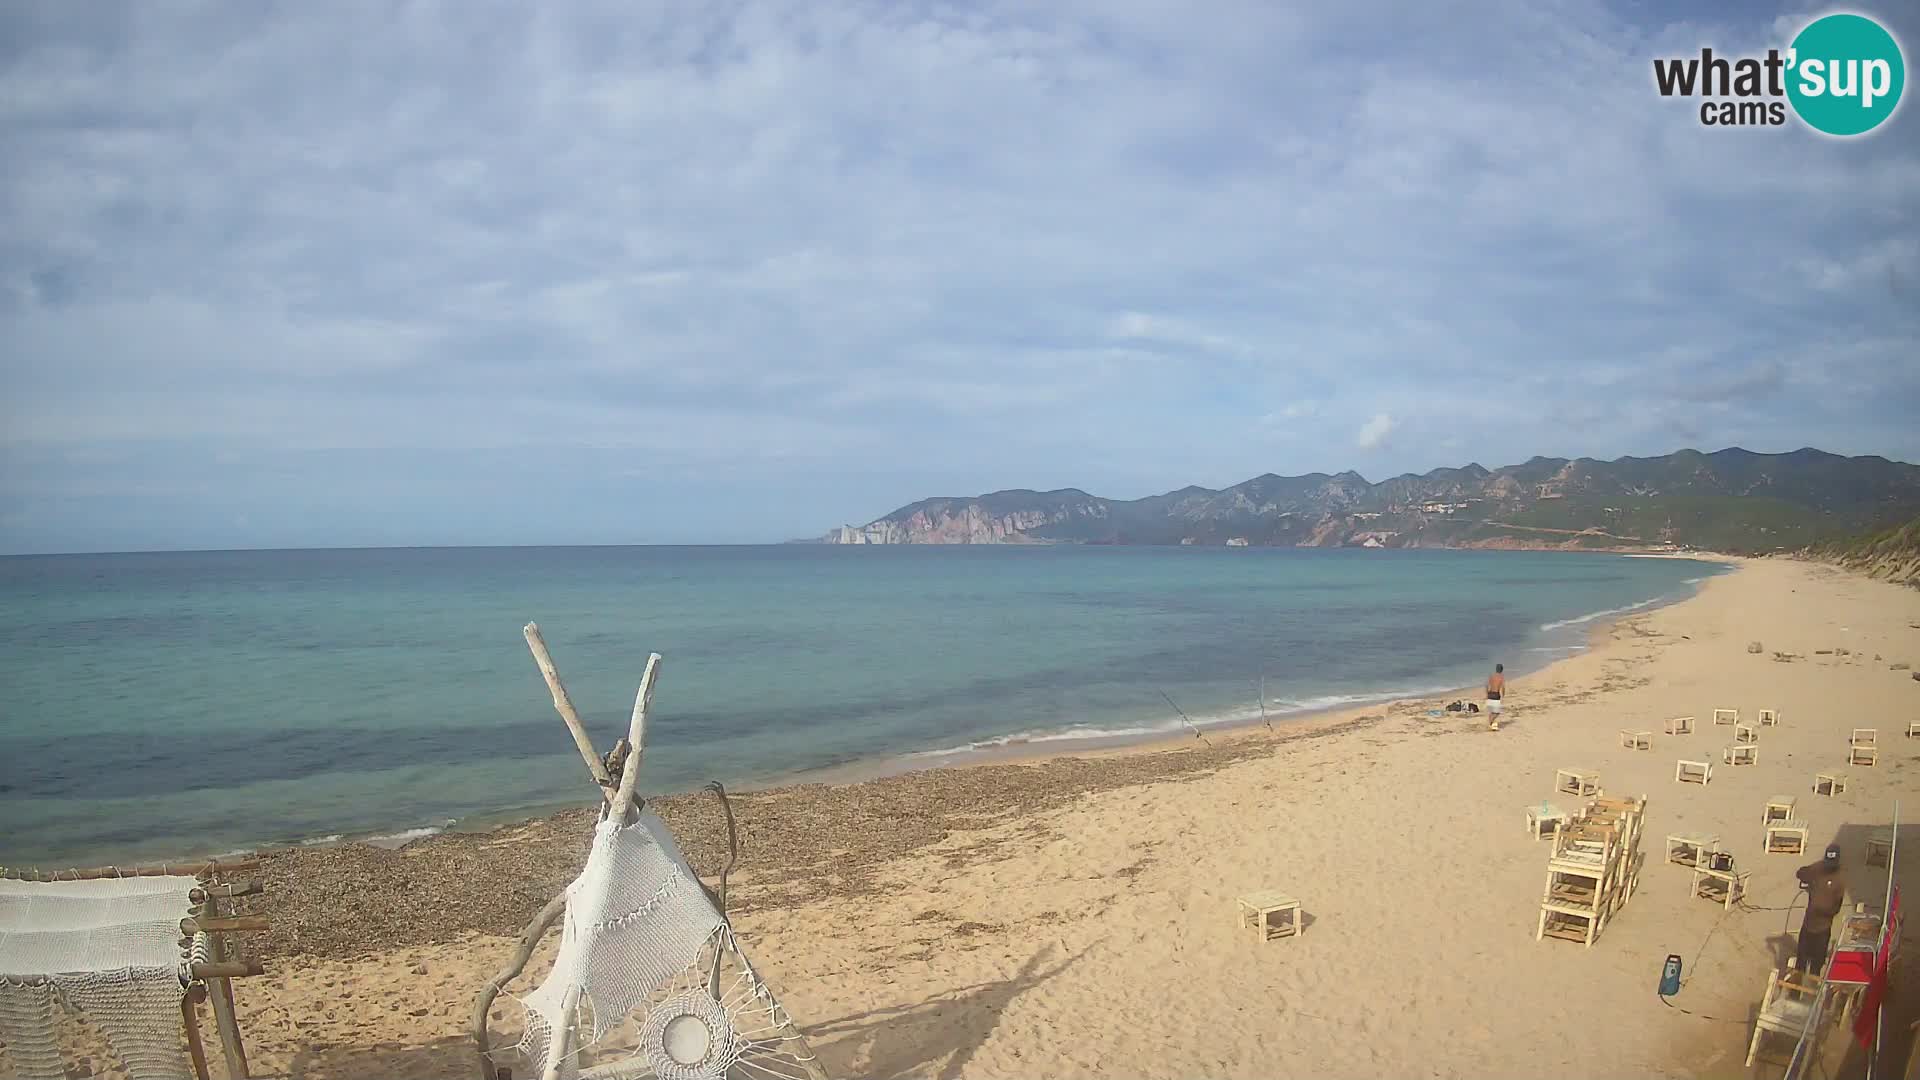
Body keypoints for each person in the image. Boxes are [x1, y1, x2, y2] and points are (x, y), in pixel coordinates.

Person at [1794, 845, 1846, 977]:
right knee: (1800, 964)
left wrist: (1823, 911)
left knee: (1816, 966)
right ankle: (1794, 993)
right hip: (1808, 925)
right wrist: (1805, 873)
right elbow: (1800, 873)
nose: (1828, 868)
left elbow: (1837, 907)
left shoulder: (1840, 879)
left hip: (1823, 929)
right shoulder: (1818, 868)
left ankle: (1810, 993)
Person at [1485, 663, 1506, 730]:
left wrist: (1486, 694)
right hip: (1496, 694)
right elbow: (1503, 688)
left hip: (1490, 694)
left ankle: (1490, 723)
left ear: (1496, 669)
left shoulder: (1492, 676)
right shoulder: (1501, 677)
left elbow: (1487, 685)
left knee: (1492, 711)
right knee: (1497, 712)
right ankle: (1491, 723)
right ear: (1502, 670)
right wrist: (1503, 696)